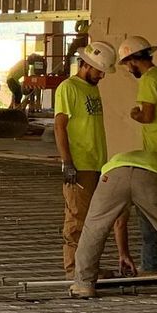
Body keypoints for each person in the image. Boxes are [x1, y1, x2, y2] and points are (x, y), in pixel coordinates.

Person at [71, 148, 157, 307]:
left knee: (93, 230)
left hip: (113, 175)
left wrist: (123, 253)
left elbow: (119, 221)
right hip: (151, 178)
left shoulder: (117, 160)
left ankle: (83, 285)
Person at [54, 40, 115, 273]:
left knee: (93, 221)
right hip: (80, 165)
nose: (101, 75)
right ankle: (73, 270)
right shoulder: (68, 88)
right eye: (99, 70)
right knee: (77, 219)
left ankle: (87, 268)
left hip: (97, 163)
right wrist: (67, 163)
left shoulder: (92, 87)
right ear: (86, 65)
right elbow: (60, 126)